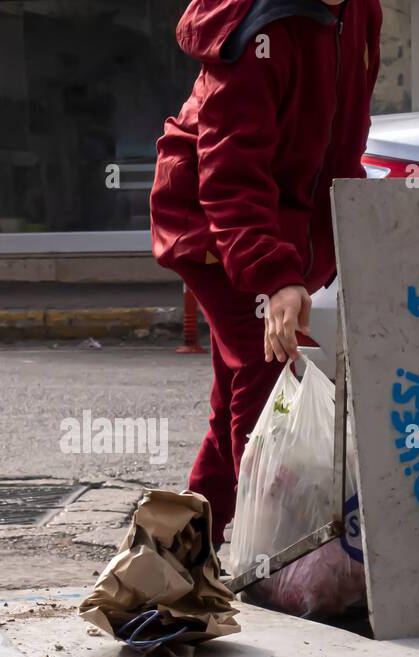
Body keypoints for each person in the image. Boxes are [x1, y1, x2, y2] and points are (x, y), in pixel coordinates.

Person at [150, 0, 381, 547]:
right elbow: (231, 174)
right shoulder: (261, 31)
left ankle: (182, 553)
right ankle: (275, 557)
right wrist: (274, 275)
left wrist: (349, 230)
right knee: (266, 382)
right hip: (212, 222)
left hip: (281, 222)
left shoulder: (362, 11)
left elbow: (348, 133)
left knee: (237, 390)